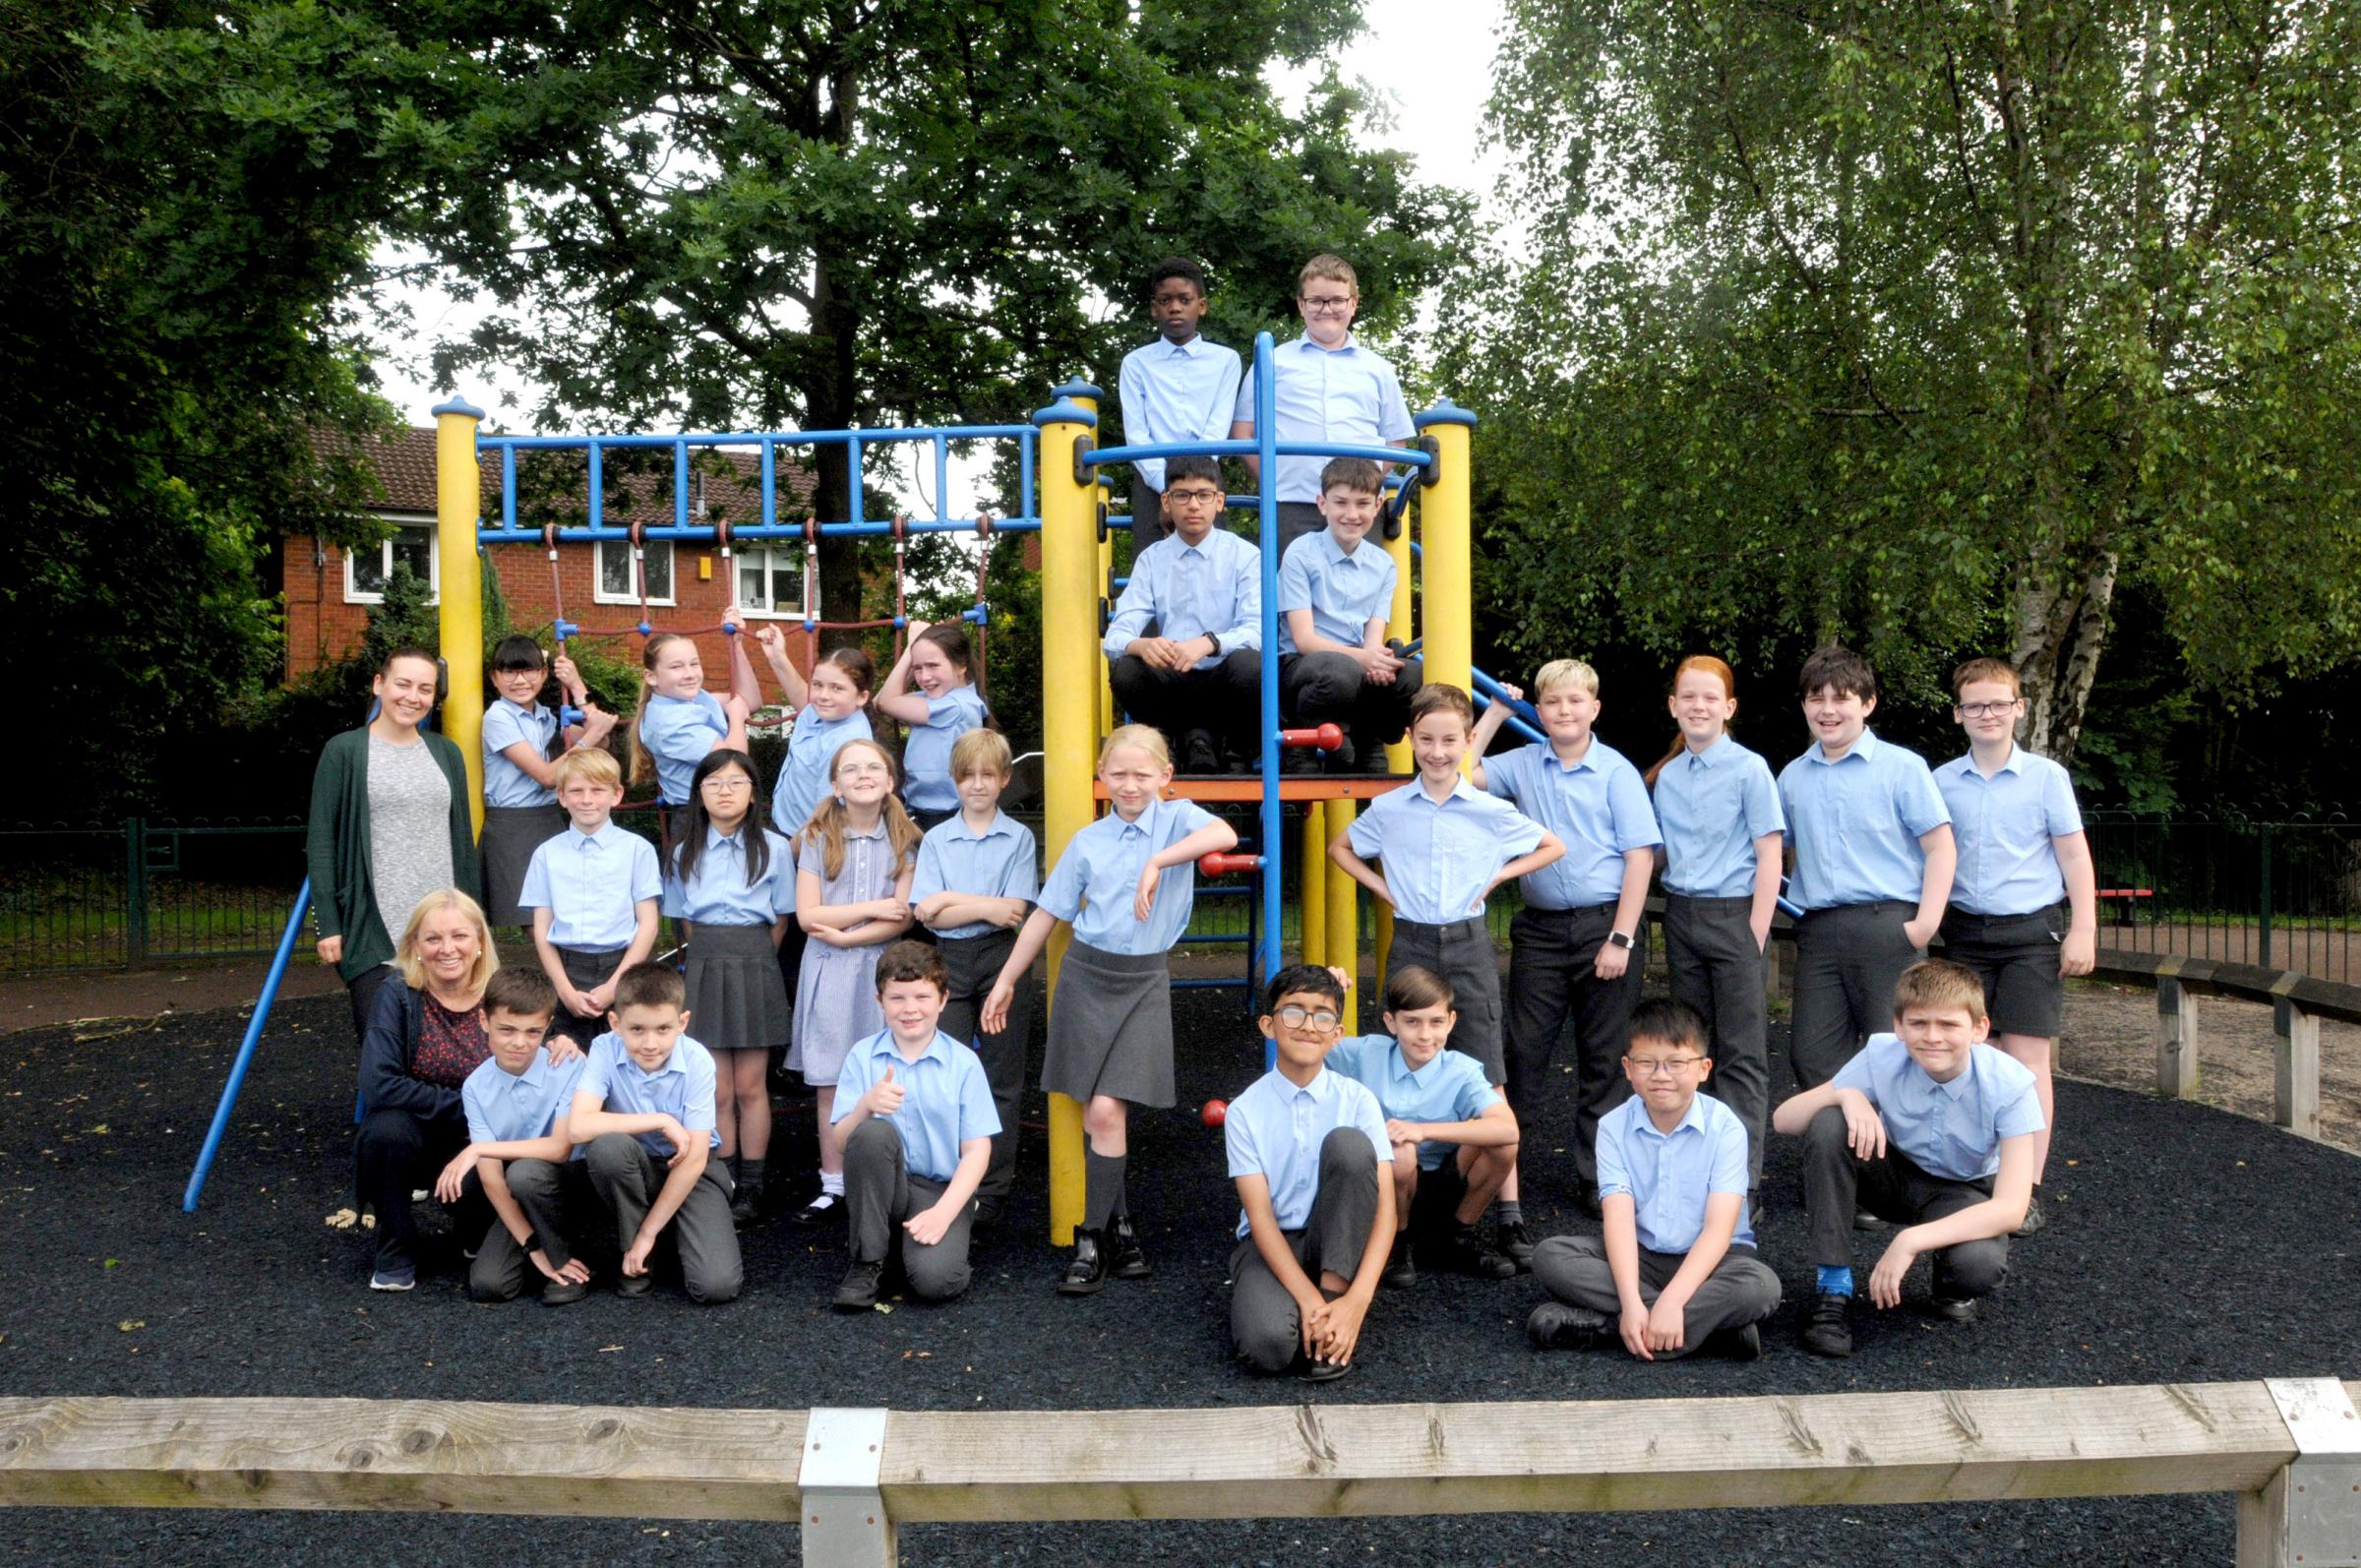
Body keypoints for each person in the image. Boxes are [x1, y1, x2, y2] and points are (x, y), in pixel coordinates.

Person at [981, 724, 1239, 1294]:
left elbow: (1225, 831)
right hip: (1085, 975)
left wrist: (1158, 863)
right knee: (1101, 1114)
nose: (1129, 785)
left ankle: (1090, 1237)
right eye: (1117, 774)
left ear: (1165, 777)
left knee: (1104, 1108)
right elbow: (1047, 914)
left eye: (1142, 775)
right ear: (1101, 776)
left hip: (1142, 979)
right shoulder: (1088, 841)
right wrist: (1005, 981)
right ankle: (1118, 1226)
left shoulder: (1179, 819)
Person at [1467, 658, 1662, 1236]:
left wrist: (1621, 939)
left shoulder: (1616, 772)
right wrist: (1497, 712)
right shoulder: (1525, 765)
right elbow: (1456, 772)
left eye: (1575, 702)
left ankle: (1595, 1175)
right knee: (1523, 1052)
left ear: (1594, 708)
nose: (1564, 712)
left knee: (1604, 1060)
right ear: (1541, 711)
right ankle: (1503, 1168)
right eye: (1552, 703)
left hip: (1608, 926)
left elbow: (1639, 858)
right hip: (1543, 930)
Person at [1772, 959, 2040, 1358]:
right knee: (1828, 1123)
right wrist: (1846, 1094)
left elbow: (2011, 1209)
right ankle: (1833, 1287)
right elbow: (1783, 1120)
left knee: (1977, 1266)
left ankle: (1949, 1282)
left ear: (1979, 1029)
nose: (1932, 1037)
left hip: (1959, 1190)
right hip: (1891, 1175)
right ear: (1899, 1026)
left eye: (1949, 1025)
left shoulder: (2010, 1084)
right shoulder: (1882, 1055)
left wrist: (1910, 1241)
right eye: (1918, 1023)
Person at [1330, 685, 1561, 1098]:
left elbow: (1553, 846)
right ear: (1410, 738)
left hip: (1467, 942)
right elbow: (1340, 848)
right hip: (1410, 941)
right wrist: (1382, 887)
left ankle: (1500, 1158)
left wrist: (1500, 876)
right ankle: (1402, 1159)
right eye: (1427, 740)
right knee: (1399, 1058)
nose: (1438, 752)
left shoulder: (1489, 810)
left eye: (1450, 740)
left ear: (1469, 741)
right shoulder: (1390, 808)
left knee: (1485, 1061)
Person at [1935, 657, 2097, 1236]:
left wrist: (2084, 929)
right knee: (1970, 1056)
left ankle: (2024, 1188)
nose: (1987, 714)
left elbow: (2074, 855)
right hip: (1963, 932)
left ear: (2019, 709)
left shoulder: (2045, 778)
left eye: (1998, 704)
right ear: (1958, 715)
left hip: (2031, 932)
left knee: (2027, 1061)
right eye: (1974, 705)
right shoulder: (1940, 781)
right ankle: (1974, 1175)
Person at [1526, 999, 1782, 1360]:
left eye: (1677, 1063)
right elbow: (1618, 1218)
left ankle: (1607, 1329)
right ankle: (1704, 1330)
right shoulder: (1613, 1127)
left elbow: (1719, 1230)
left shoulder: (1726, 1128)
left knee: (1760, 1287)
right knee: (1551, 1256)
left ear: (1703, 1068)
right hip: (1641, 1255)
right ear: (1628, 1068)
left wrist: (1674, 1301)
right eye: (1646, 1063)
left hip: (1713, 1260)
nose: (1661, 1075)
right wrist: (1632, 1304)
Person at [354, 888, 580, 1292]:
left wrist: (562, 1040)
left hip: (485, 1134)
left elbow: (533, 1028)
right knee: (384, 1132)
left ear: (479, 942)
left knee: (494, 1168)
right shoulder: (398, 994)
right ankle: (397, 1247)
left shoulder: (499, 990)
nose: (447, 949)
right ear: (416, 946)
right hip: (424, 1125)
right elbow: (379, 1083)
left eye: (459, 936)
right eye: (433, 938)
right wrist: (465, 1104)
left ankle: (475, 1229)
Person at [1779, 645, 1957, 1091]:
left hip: (1889, 930)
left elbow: (1941, 848)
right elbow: (1764, 853)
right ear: (1804, 706)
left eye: (1841, 698)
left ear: (1868, 704)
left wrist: (1923, 925)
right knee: (1812, 1056)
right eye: (1816, 699)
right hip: (1818, 932)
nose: (1828, 710)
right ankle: (1838, 1160)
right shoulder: (1792, 777)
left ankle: (1895, 1159)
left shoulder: (1903, 768)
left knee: (1900, 1057)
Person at [1644, 655, 1784, 1209]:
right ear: (1674, 706)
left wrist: (1755, 931)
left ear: (1728, 708)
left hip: (1735, 918)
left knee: (1742, 1054)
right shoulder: (1666, 776)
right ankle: (1693, 1167)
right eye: (1688, 697)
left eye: (1710, 698)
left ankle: (1740, 1182)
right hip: (1681, 917)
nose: (1698, 706)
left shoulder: (1750, 769)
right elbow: (1653, 853)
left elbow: (1768, 853)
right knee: (1690, 1051)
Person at [1226, 965, 1396, 1380]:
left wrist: (1356, 1301)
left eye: (1322, 1015)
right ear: (1269, 1025)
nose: (1307, 1025)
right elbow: (1261, 1219)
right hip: (1272, 1243)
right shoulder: (1245, 1111)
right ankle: (1319, 1315)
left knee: (1350, 1145)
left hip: (1337, 1236)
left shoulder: (1358, 1100)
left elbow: (1387, 1211)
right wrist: (1307, 1301)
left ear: (1336, 1034)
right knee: (1267, 1348)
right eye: (1293, 1012)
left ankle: (1333, 1299)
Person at [306, 646, 481, 1044]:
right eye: (402, 684)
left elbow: (462, 842)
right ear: (379, 684)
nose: (412, 697)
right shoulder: (345, 751)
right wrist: (328, 924)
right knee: (384, 1049)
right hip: (374, 928)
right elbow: (320, 841)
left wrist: (474, 920)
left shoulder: (446, 753)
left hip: (443, 929)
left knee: (449, 1050)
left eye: (425, 689)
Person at [785, 738, 920, 1225]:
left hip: (880, 969)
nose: (863, 775)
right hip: (828, 971)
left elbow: (901, 917)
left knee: (887, 1076)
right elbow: (808, 914)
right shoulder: (819, 837)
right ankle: (834, 1183)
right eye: (851, 769)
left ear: (889, 782)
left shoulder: (906, 838)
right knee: (832, 1082)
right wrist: (868, 909)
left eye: (873, 767)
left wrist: (845, 935)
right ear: (836, 785)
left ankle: (886, 1180)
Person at [827, 940, 1001, 1309]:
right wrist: (865, 1106)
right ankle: (868, 1260)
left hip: (938, 1190)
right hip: (885, 1187)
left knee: (937, 1283)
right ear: (880, 1002)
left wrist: (943, 1214)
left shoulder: (964, 1063)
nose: (910, 1009)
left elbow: (977, 1151)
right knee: (873, 1132)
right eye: (897, 998)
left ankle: (912, 1247)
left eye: (922, 997)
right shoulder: (862, 1056)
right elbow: (842, 1142)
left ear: (942, 1000)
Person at [910, 729, 1039, 1229]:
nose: (978, 785)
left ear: (1005, 779)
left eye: (988, 775)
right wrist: (975, 906)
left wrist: (951, 900)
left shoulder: (1019, 837)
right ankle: (945, 1178)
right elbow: (927, 915)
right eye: (968, 776)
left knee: (1002, 1077)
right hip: (949, 960)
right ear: (955, 780)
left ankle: (992, 1187)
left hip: (1004, 962)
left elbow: (1014, 913)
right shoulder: (938, 839)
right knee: (945, 1072)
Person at [665, 748, 796, 1224]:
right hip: (705, 962)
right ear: (699, 794)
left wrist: (753, 955)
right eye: (714, 782)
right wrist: (713, 955)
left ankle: (755, 1186)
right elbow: (685, 922)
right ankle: (724, 1177)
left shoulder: (775, 847)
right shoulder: (684, 851)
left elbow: (781, 919)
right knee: (716, 1087)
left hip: (756, 960)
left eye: (736, 782)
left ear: (753, 793)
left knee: (750, 1085)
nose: (725, 791)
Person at [1326, 966, 1519, 1286]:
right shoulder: (1364, 1053)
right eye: (1412, 1022)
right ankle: (1397, 1242)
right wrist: (1329, 998)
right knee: (1400, 1150)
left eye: (1436, 1022)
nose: (1425, 1035)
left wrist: (1424, 1130)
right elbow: (1310, 1042)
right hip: (1386, 1186)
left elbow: (1508, 1129)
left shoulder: (1462, 1071)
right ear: (1391, 1022)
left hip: (1443, 1183)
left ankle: (1458, 1235)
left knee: (1503, 1143)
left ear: (1451, 1022)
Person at [568, 961, 743, 1303]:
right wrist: (659, 1120)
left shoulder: (698, 1061)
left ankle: (653, 1236)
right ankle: (635, 1261)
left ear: (682, 1023)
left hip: (691, 1168)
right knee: (608, 1150)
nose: (650, 1043)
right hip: (634, 1165)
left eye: (663, 1029)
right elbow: (578, 1127)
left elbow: (693, 1160)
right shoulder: (604, 1049)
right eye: (637, 1030)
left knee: (716, 1286)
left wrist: (649, 1232)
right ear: (615, 1023)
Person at [1229, 253, 1417, 560]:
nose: (1327, 309)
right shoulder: (1273, 361)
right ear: (1301, 305)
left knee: (1357, 594)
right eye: (1316, 301)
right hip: (1291, 501)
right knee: (1290, 597)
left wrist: (1363, 485)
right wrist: (1274, 479)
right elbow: (1243, 430)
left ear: (1353, 303)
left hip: (1357, 507)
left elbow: (1396, 438)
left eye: (1337, 301)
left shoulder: (1377, 368)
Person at [435, 967, 596, 1304]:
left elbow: (559, 1149)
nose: (519, 1042)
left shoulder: (566, 1065)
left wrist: (480, 1148)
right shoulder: (476, 1087)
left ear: (548, 1025)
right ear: (483, 1021)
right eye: (506, 1030)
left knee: (525, 1172)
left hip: (576, 1184)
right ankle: (541, 1249)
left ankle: (568, 1262)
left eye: (533, 1031)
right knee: (489, 1286)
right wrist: (531, 1246)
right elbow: (493, 1180)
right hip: (523, 1192)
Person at [1099, 453, 1262, 774]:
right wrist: (1140, 645)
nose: (1193, 505)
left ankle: (1235, 748)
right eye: (1182, 495)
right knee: (1127, 671)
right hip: (1173, 679)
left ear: (1220, 502)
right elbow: (1117, 635)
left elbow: (1258, 630)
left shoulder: (1244, 555)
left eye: (1203, 495)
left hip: (1222, 678)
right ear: (1166, 501)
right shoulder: (1152, 559)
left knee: (1252, 665)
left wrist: (1209, 643)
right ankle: (1167, 744)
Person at [752, 632, 878, 1017]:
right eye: (819, 684)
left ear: (861, 698)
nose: (822, 694)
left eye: (836, 688)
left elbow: (828, 806)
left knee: (791, 934)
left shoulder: (851, 737)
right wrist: (777, 658)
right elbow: (802, 696)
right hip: (785, 832)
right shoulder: (818, 712)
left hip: (809, 843)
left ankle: (797, 1022)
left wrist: (787, 852)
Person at [1276, 456, 1420, 773]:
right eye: (1340, 502)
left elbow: (1373, 637)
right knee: (1340, 672)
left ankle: (1369, 736)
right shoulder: (1301, 552)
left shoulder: (1383, 564)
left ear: (1378, 505)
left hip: (1354, 666)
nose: (1351, 514)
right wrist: (1362, 658)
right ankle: (1307, 744)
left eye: (1362, 504)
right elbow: (1303, 639)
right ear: (1322, 504)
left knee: (1412, 675)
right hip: (1305, 667)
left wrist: (1375, 661)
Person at [519, 746, 662, 1053]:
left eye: (597, 790)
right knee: (568, 1062)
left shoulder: (637, 850)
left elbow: (648, 924)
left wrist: (614, 987)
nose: (586, 800)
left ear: (616, 794)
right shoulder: (546, 854)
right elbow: (542, 931)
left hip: (623, 966)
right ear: (561, 796)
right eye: (577, 791)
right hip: (567, 968)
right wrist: (565, 991)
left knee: (630, 1062)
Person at [479, 633, 615, 928]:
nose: (520, 681)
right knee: (533, 918)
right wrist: (590, 736)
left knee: (562, 909)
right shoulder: (498, 717)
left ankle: (565, 972)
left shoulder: (546, 717)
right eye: (509, 672)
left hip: (548, 819)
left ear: (542, 674)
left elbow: (600, 741)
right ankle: (553, 974)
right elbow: (546, 776)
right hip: (513, 823)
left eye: (528, 671)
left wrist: (577, 686)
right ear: (494, 677)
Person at [1118, 256, 1243, 560]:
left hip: (1206, 474)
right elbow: (1137, 434)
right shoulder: (1136, 364)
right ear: (1154, 308)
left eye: (1184, 299)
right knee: (1152, 563)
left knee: (1214, 565)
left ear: (1201, 305)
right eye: (1165, 300)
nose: (1175, 307)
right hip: (1152, 479)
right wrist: (1167, 491)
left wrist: (1188, 489)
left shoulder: (1225, 360)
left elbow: (1218, 426)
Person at [629, 628, 757, 849]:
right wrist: (736, 718)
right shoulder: (668, 722)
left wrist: (737, 646)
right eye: (676, 667)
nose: (689, 674)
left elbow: (751, 700)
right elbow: (732, 761)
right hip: (696, 818)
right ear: (651, 677)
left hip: (722, 807)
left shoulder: (693, 699)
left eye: (694, 663)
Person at [875, 621, 990, 831]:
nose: (924, 677)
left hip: (948, 815)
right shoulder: (938, 698)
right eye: (918, 668)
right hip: (924, 810)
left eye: (933, 666)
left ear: (961, 666)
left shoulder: (957, 706)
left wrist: (911, 651)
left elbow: (886, 702)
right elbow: (880, 700)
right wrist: (914, 655)